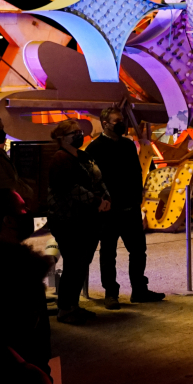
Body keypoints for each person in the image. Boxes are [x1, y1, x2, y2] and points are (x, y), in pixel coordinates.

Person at [0, 186, 54, 367]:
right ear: (9, 221)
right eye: (23, 208)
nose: (28, 213)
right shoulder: (24, 272)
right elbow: (36, 340)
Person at [84, 107, 165, 305]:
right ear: (105, 124)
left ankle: (139, 289)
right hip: (109, 210)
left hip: (131, 207)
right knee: (108, 252)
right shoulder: (94, 149)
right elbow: (91, 181)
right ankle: (111, 293)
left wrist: (139, 195)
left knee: (138, 250)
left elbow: (136, 172)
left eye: (121, 120)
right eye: (116, 121)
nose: (121, 124)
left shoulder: (129, 145)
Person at [46, 120, 109, 321]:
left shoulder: (84, 156)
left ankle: (73, 305)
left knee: (82, 263)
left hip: (88, 218)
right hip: (67, 219)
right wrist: (96, 201)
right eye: (74, 133)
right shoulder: (59, 159)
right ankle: (65, 308)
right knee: (73, 263)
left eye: (79, 131)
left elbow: (98, 179)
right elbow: (68, 188)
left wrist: (106, 197)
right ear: (61, 138)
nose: (79, 135)